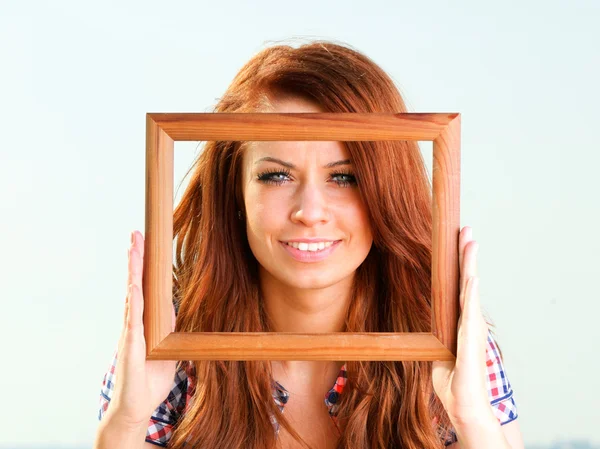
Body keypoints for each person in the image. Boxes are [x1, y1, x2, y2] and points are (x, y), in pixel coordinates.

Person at [94, 40, 524, 449]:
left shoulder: (445, 340)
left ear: (386, 193)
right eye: (276, 176)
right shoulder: (172, 340)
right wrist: (128, 419)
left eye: (344, 177)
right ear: (236, 194)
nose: (310, 211)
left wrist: (470, 415)